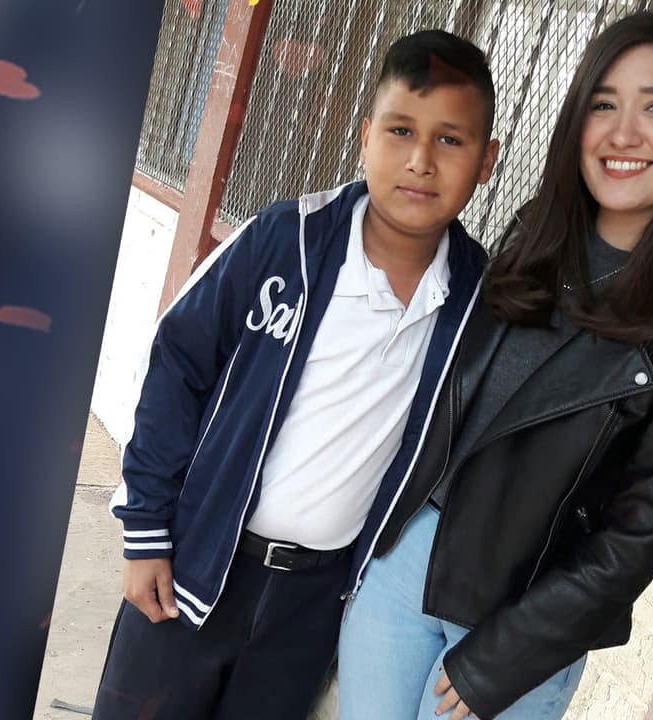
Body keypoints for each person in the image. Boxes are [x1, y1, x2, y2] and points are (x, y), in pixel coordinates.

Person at [337, 12, 653, 720]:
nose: (623, 133)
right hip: (407, 563)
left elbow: (641, 531)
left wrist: (508, 657)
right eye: (604, 105)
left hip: (520, 615)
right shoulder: (537, 233)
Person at [93, 30, 500, 720]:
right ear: (365, 137)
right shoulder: (285, 242)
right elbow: (175, 368)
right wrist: (145, 530)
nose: (421, 160)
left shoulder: (474, 302)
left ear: (487, 161)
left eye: (451, 140)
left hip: (314, 607)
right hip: (194, 568)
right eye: (401, 130)